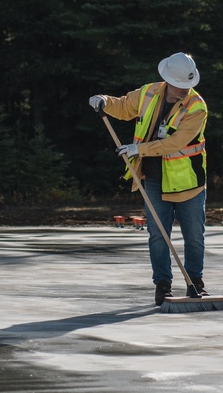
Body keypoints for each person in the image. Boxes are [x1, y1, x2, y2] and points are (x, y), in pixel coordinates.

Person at [89, 53, 209, 304]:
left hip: (188, 183)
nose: (185, 91)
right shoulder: (149, 93)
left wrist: (139, 150)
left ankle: (195, 282)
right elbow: (123, 107)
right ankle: (163, 285)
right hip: (154, 179)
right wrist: (105, 101)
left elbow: (176, 142)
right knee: (157, 235)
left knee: (194, 236)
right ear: (167, 80)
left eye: (189, 86)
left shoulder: (197, 107)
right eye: (180, 86)